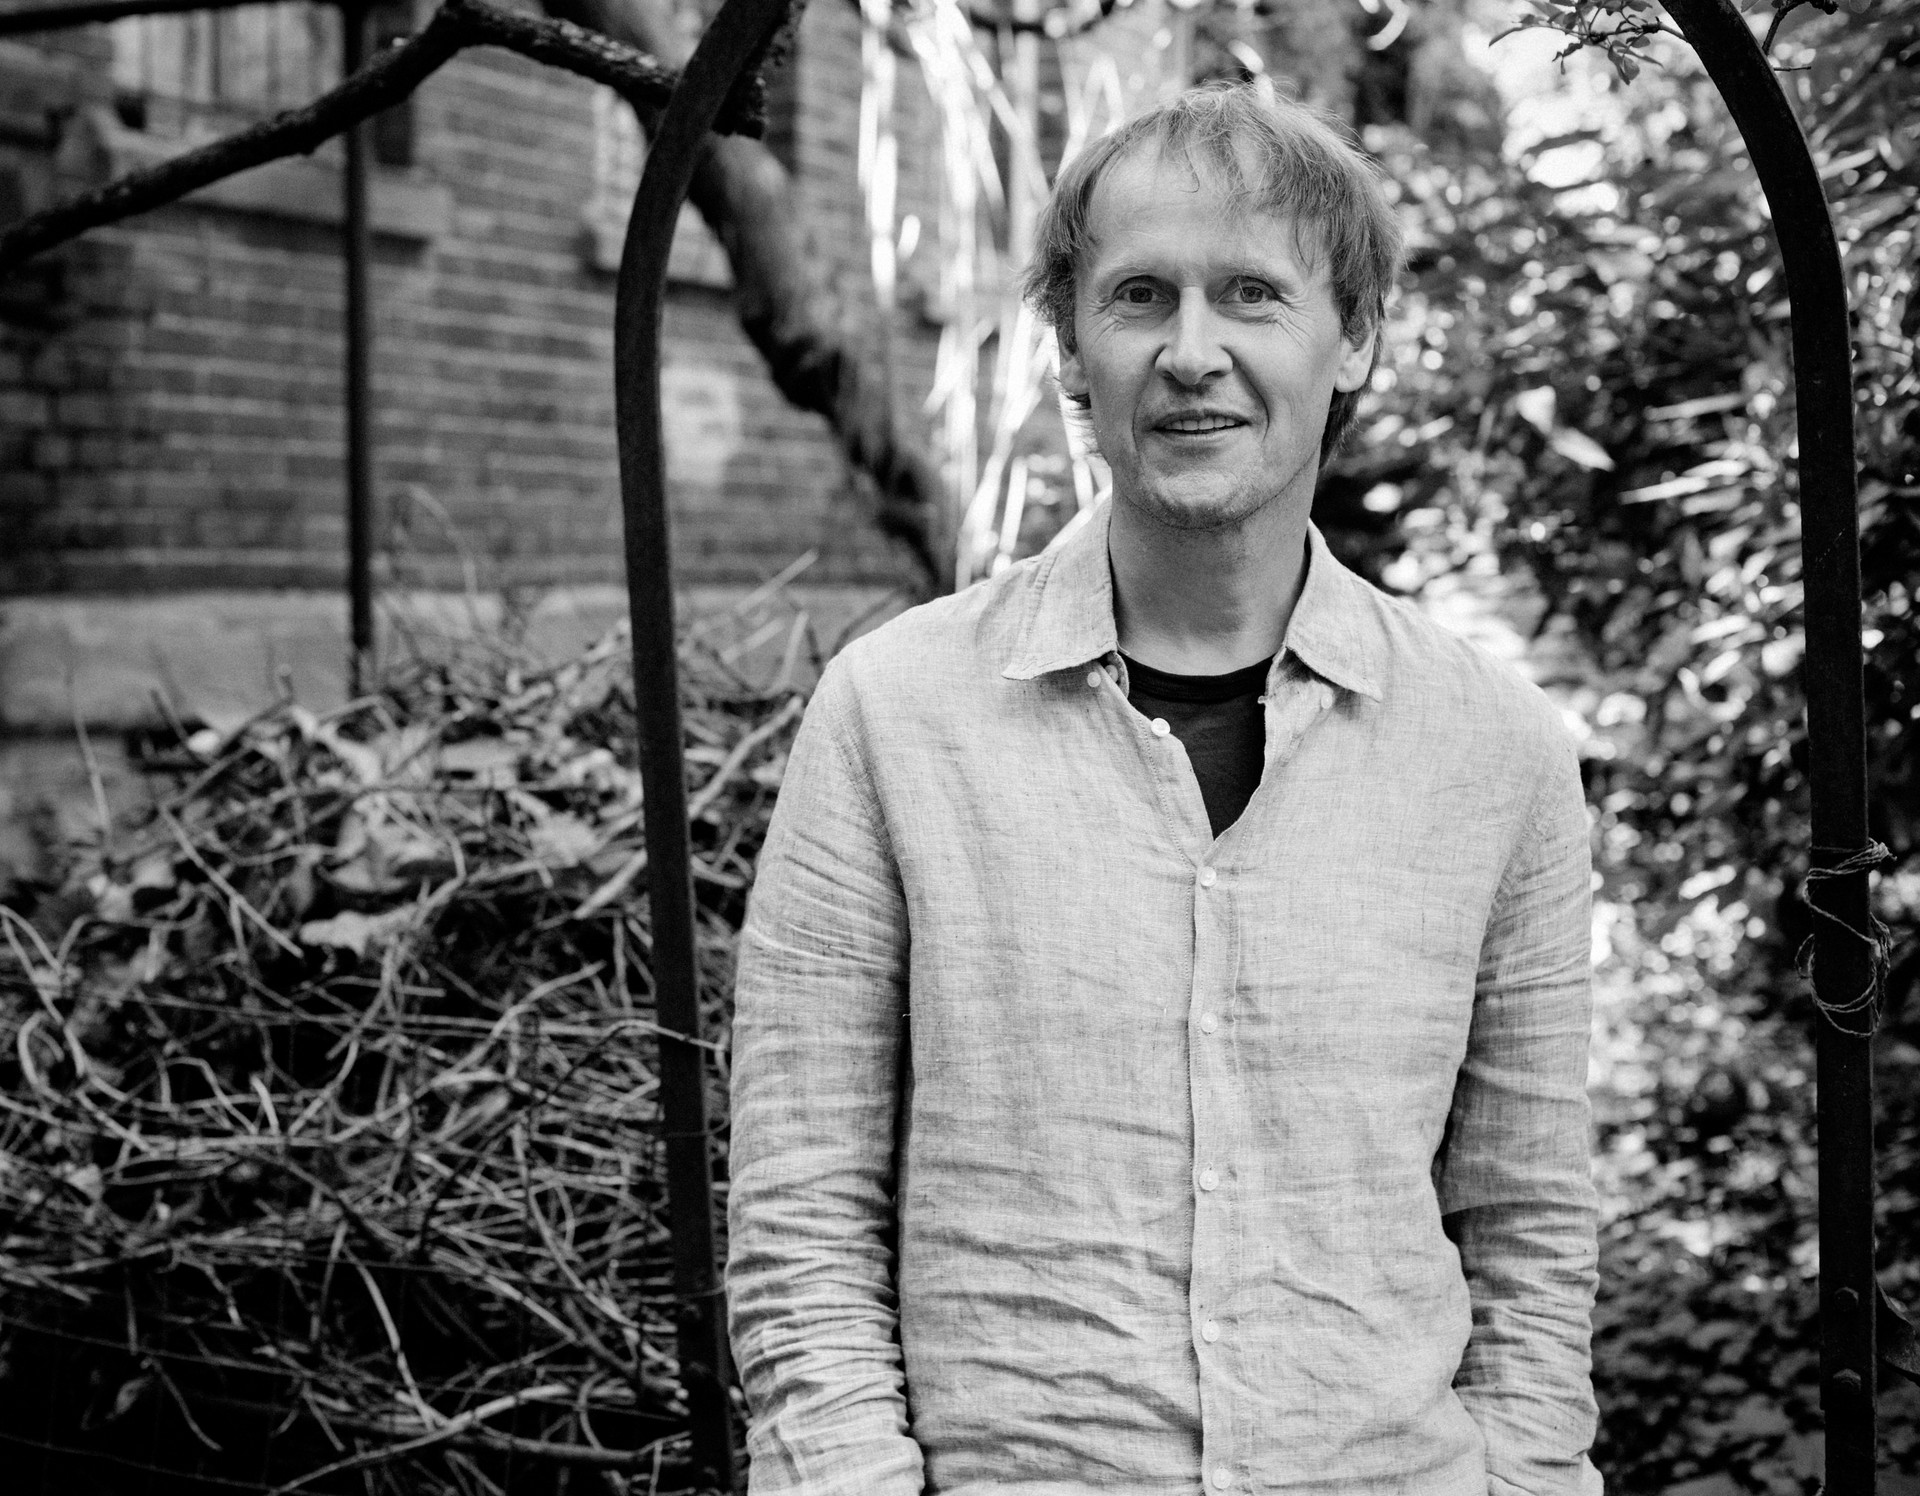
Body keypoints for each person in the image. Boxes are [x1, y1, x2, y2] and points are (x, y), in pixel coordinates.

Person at [725, 83, 1602, 1496]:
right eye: (1141, 297)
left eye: (1252, 294)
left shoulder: (1497, 751)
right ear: (1073, 344)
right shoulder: (894, 716)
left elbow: (1531, 1235)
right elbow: (802, 1222)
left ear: (1356, 337)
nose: (1193, 355)